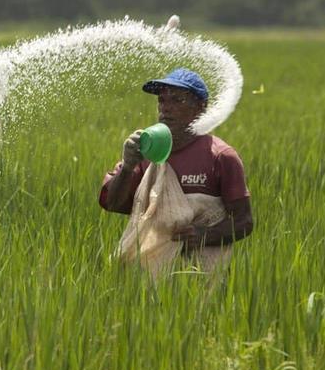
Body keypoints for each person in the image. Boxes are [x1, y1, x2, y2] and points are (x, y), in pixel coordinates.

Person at [99, 68, 253, 272]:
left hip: (201, 275)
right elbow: (113, 203)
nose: (166, 108)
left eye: (177, 100)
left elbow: (243, 221)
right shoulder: (145, 152)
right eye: (162, 100)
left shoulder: (221, 156)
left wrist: (204, 235)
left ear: (201, 108)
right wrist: (127, 167)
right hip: (147, 275)